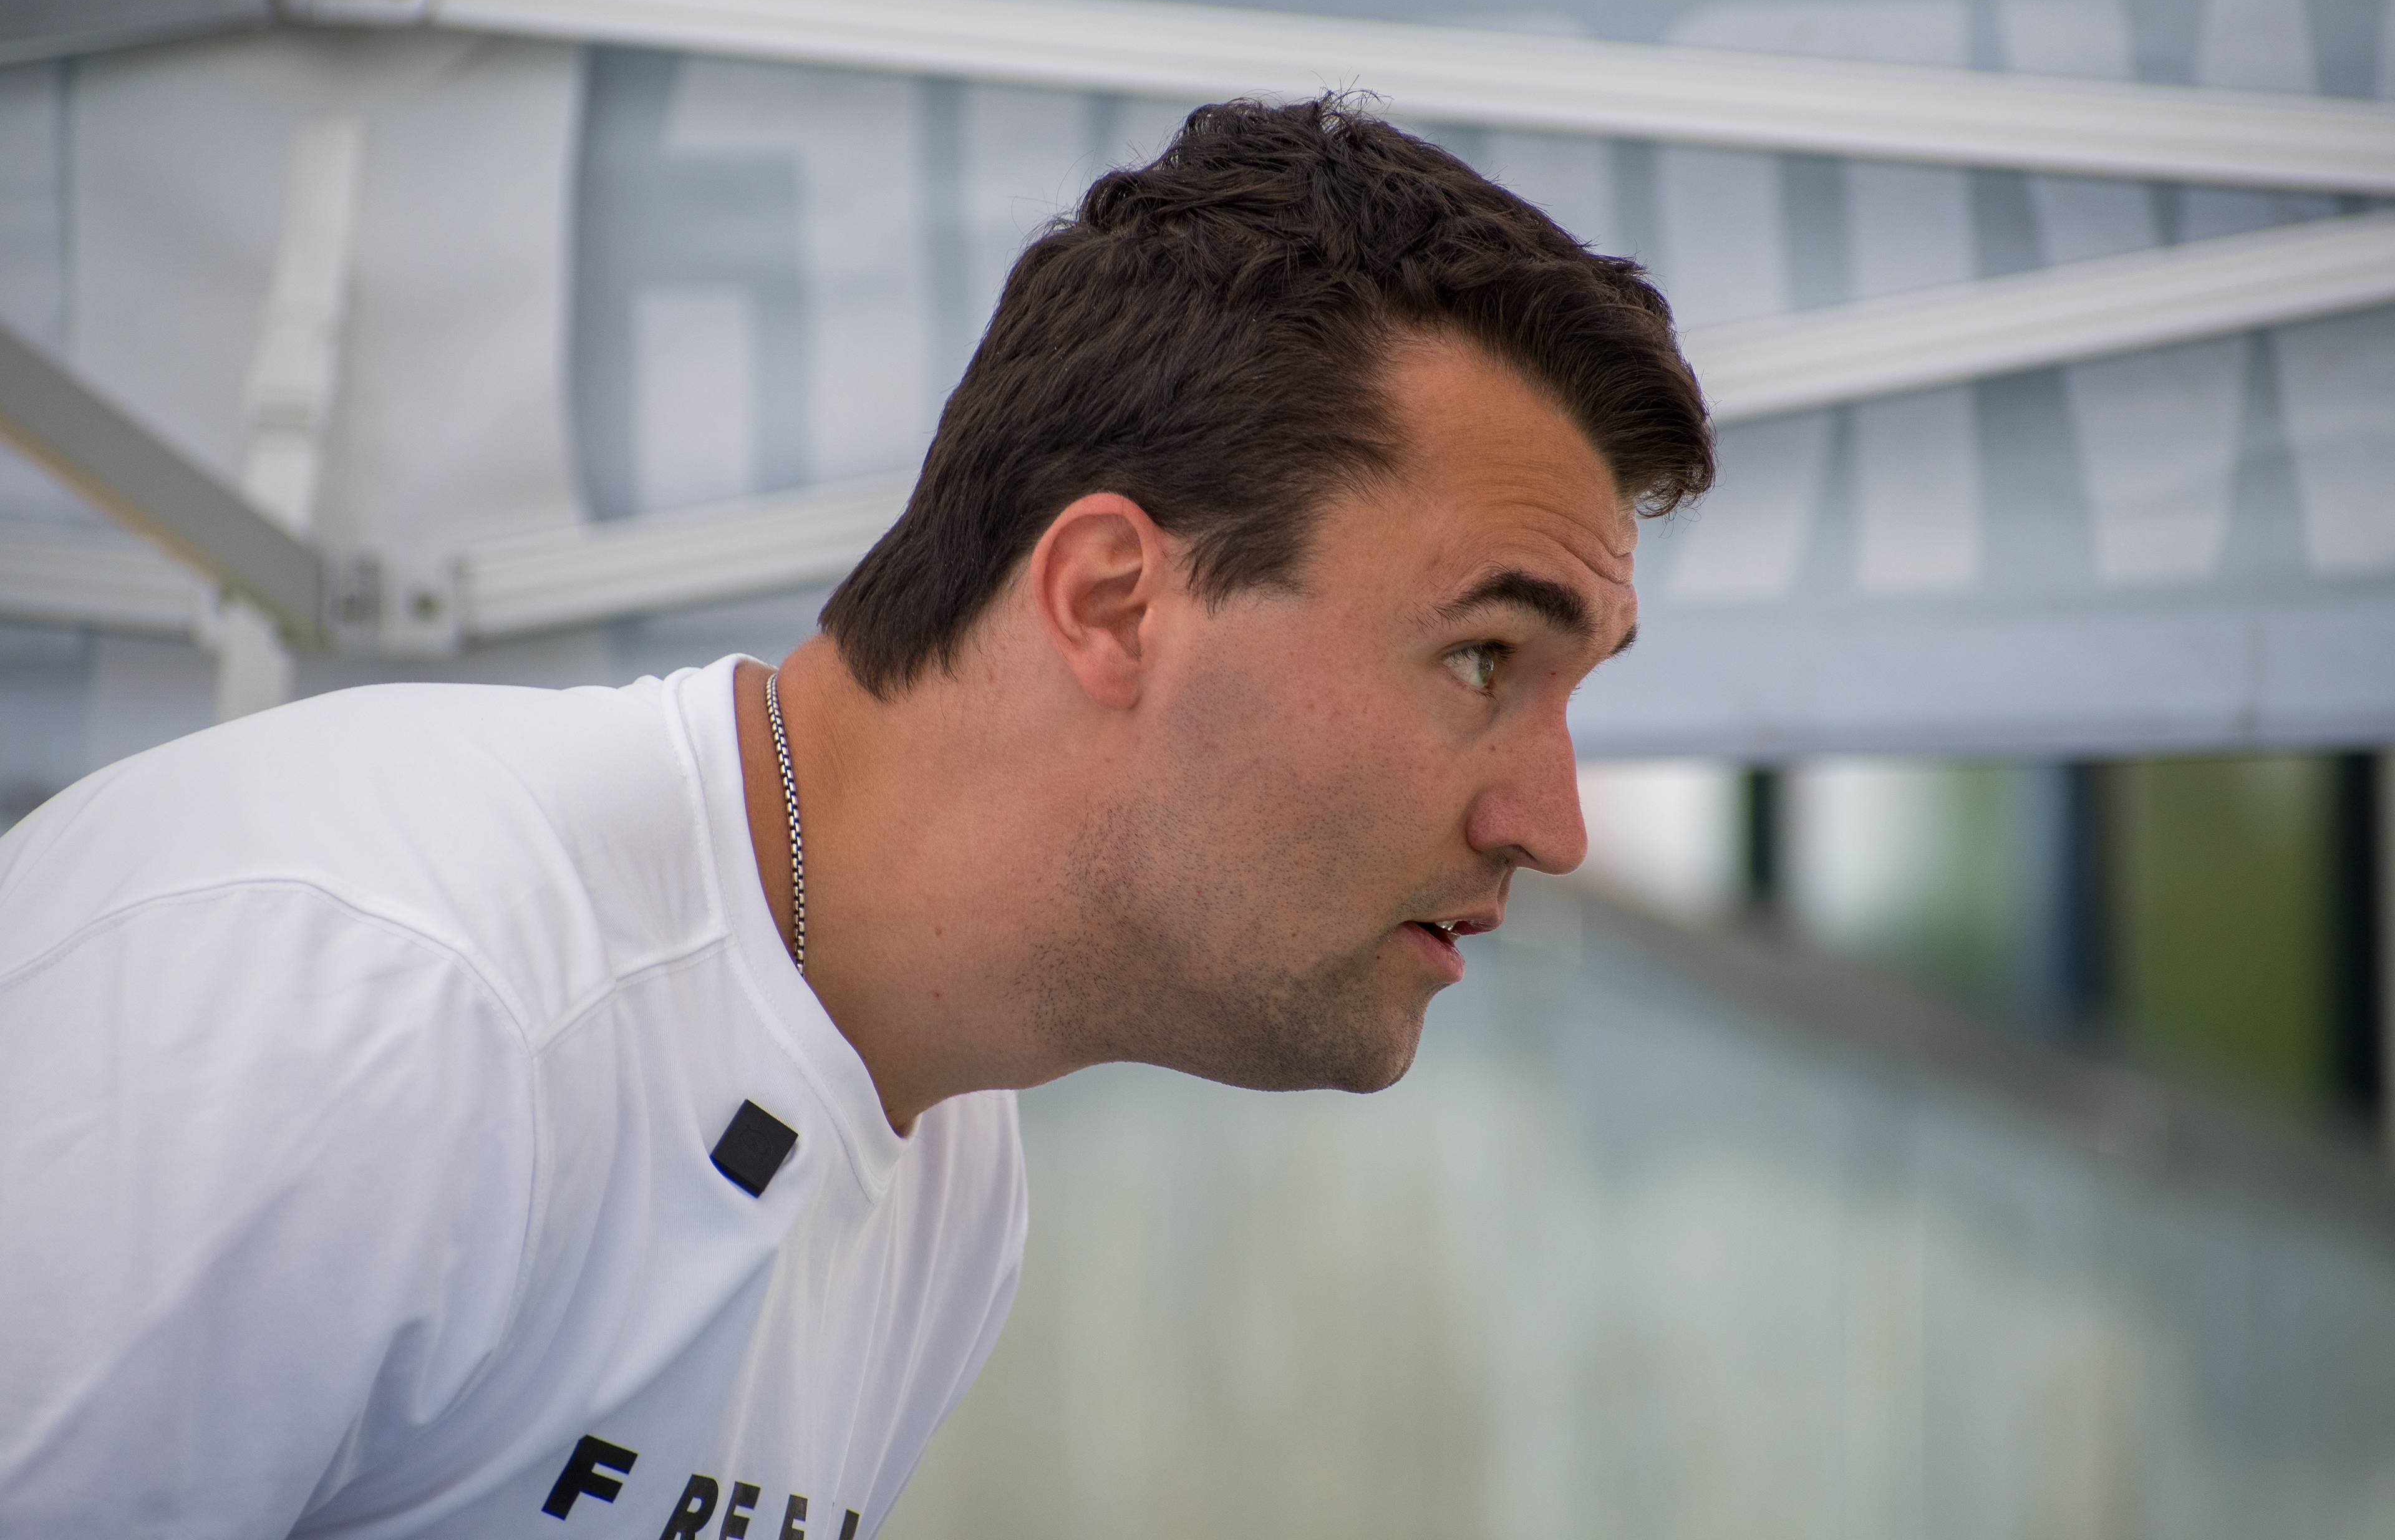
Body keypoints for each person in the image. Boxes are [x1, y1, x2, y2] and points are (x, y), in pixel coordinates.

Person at [0, 95, 1710, 1536]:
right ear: (1113, 599)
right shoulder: (373, 980)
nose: (1553, 822)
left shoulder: (951, 1158)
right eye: (1485, 658)